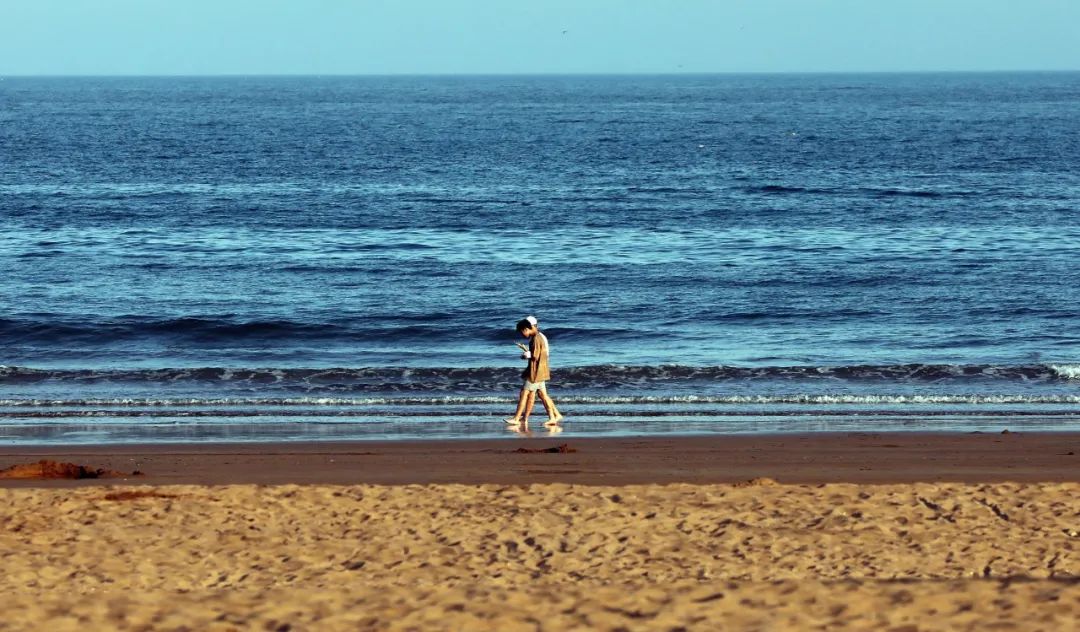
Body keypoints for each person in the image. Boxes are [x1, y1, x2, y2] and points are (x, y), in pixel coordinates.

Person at [505, 315, 563, 428]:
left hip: (535, 372)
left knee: (524, 393)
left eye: (522, 332)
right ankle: (554, 416)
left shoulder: (536, 339)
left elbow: (535, 356)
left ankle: (516, 418)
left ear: (527, 329)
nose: (522, 335)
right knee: (542, 395)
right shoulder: (539, 337)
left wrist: (525, 355)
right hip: (541, 370)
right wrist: (526, 350)